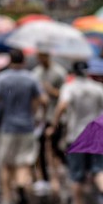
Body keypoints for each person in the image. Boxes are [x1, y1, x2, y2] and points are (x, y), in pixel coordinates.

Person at [53, 61, 103, 204]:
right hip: (96, 135)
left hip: (76, 137)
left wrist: (54, 124)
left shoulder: (69, 87)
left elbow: (62, 105)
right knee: (99, 168)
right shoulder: (98, 87)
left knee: (76, 175)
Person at [0, 49, 47, 204]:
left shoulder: (2, 78)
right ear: (24, 61)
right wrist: (38, 115)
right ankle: (21, 187)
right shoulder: (31, 78)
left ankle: (7, 201)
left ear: (9, 60)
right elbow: (44, 100)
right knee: (23, 162)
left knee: (6, 164)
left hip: (7, 127)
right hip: (27, 126)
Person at [32, 43, 67, 191]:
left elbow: (65, 96)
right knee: (39, 147)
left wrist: (50, 91)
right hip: (41, 117)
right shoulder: (35, 73)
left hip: (56, 116)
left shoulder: (59, 72)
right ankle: (44, 178)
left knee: (55, 147)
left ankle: (65, 168)